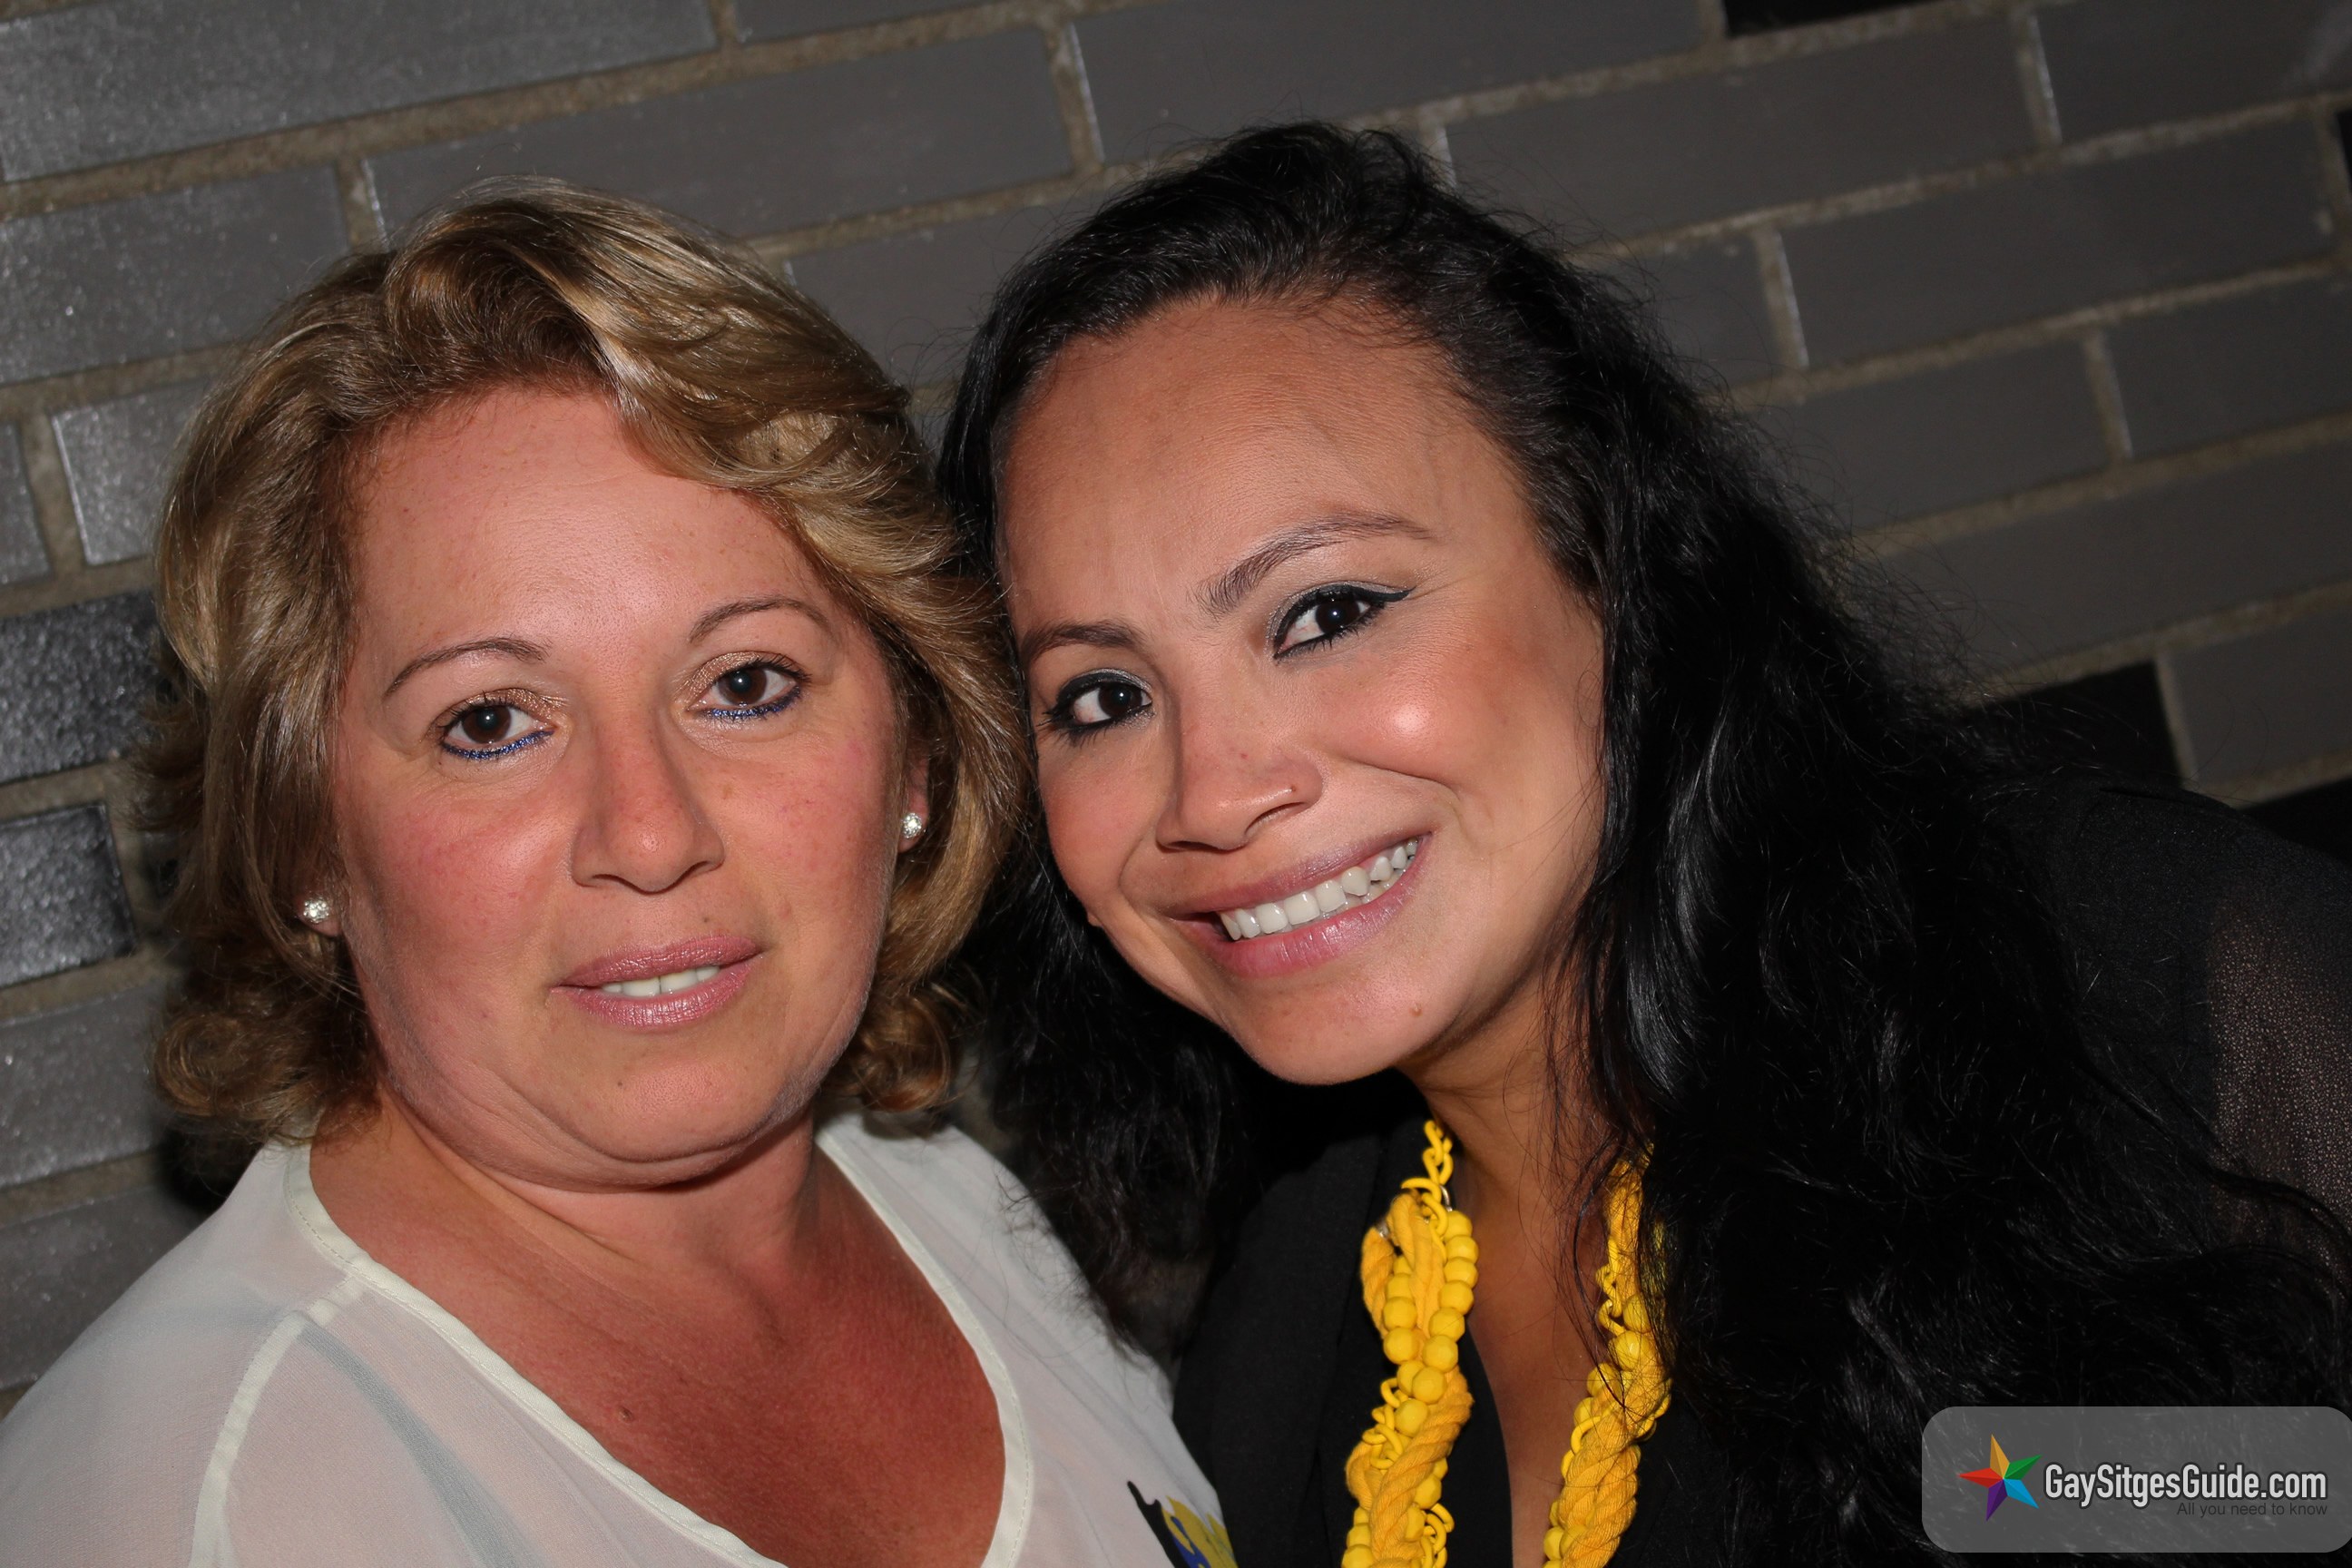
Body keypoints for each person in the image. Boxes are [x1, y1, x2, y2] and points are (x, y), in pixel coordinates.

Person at [937, 123, 2352, 1566]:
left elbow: (2296, 1488)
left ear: (1612, 567)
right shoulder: (1288, 1334)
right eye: (1102, 698)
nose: (1213, 793)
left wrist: (2031, 1487)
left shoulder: (2135, 993)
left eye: (1328, 612)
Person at [0, 181, 1234, 1568]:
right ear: (304, 838)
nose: (648, 835)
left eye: (746, 684)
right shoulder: (199, 1502)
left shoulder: (963, 1216)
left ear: (917, 757)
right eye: (490, 723)